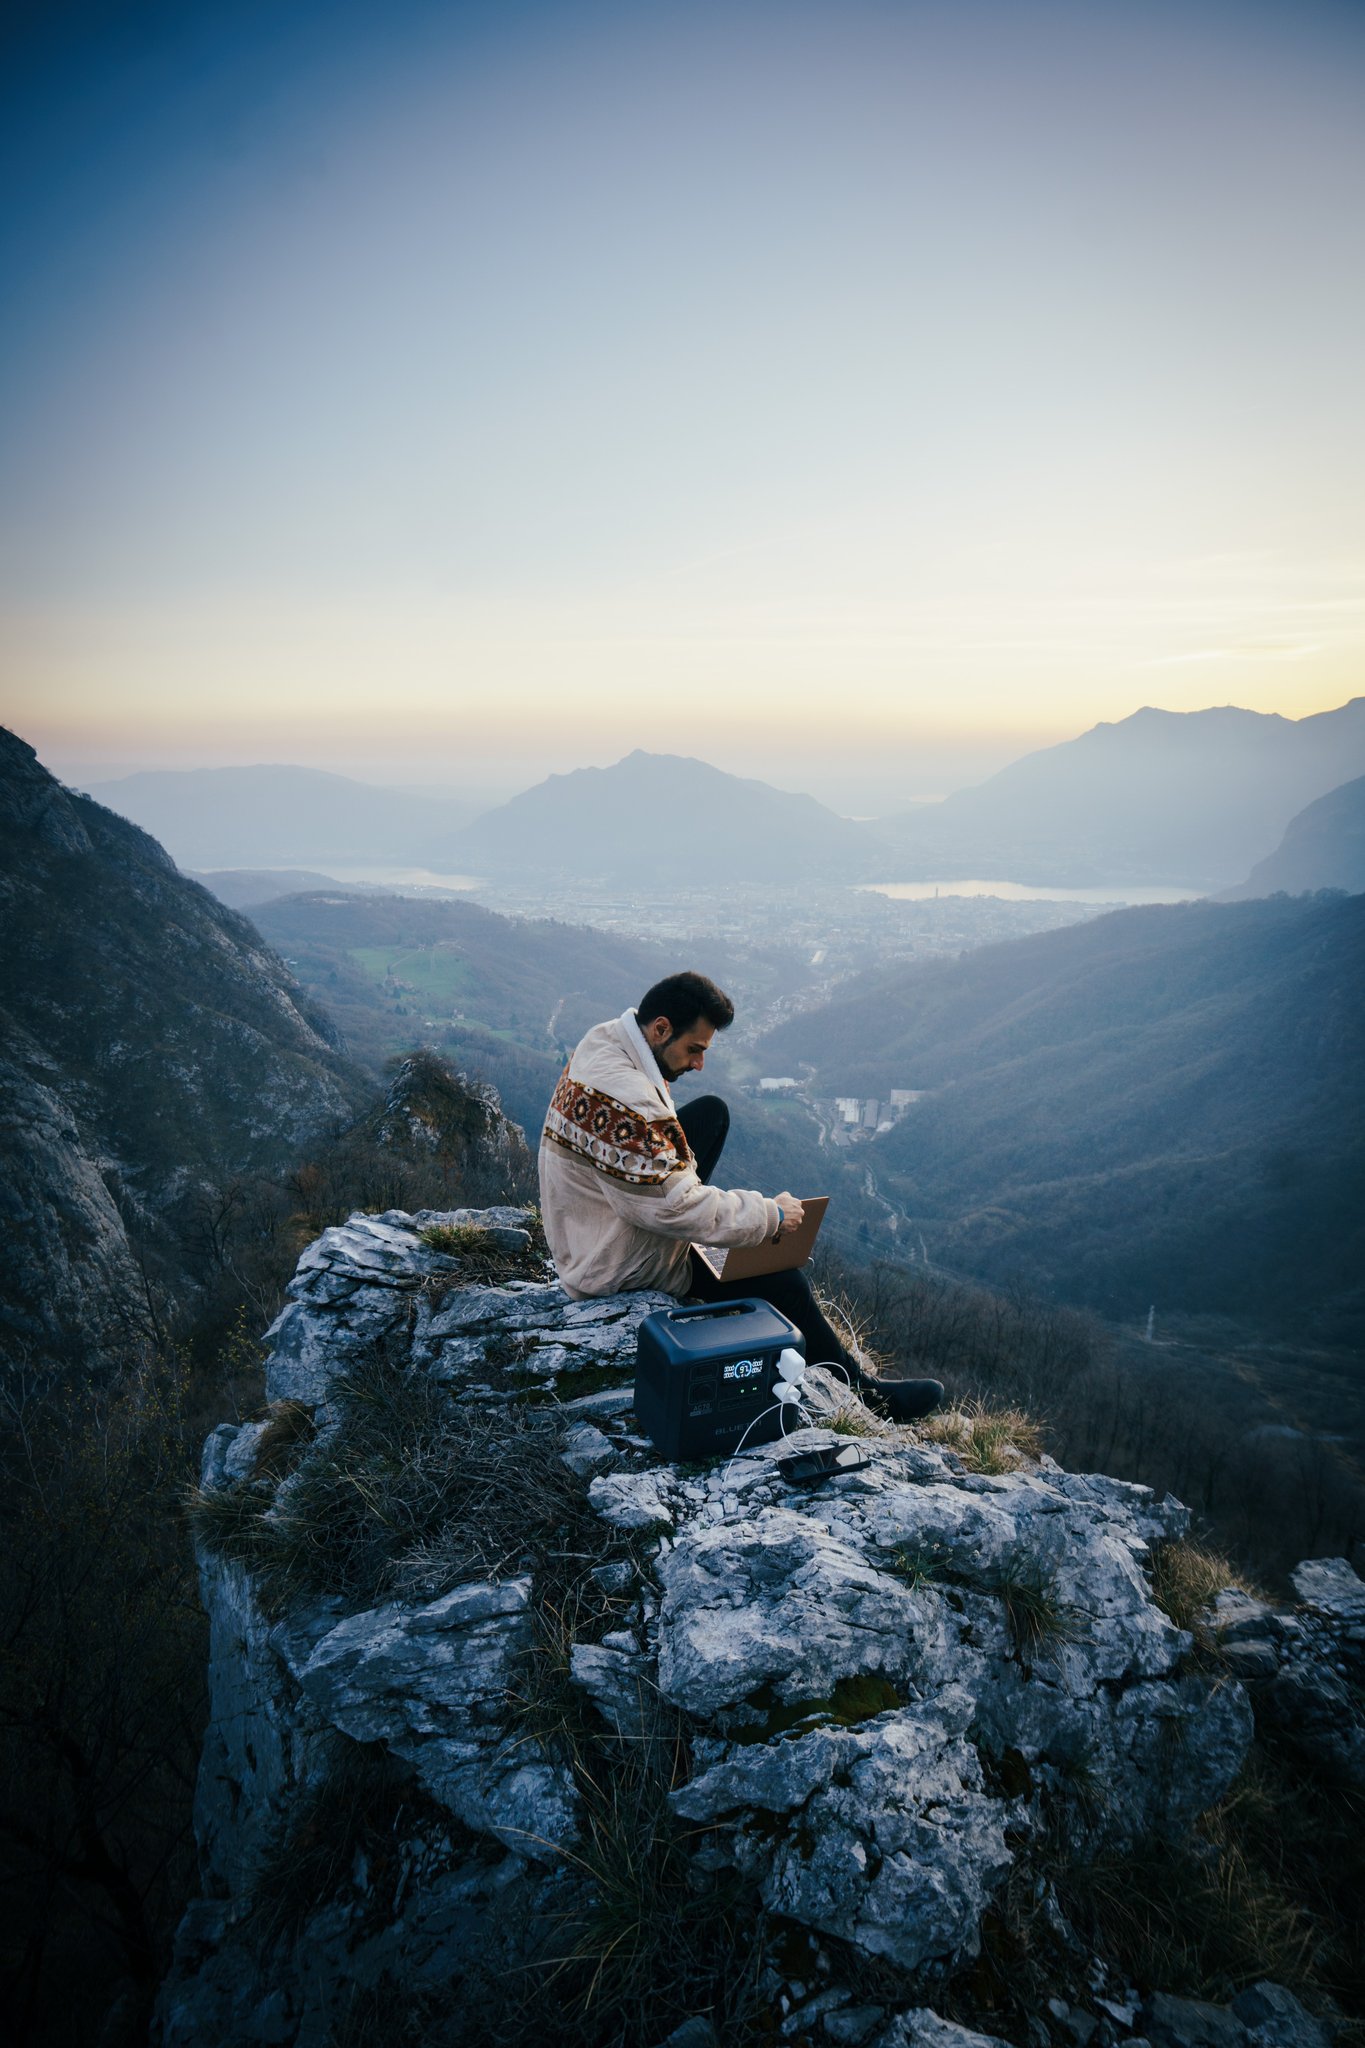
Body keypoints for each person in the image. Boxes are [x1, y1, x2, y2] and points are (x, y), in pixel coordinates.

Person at [538, 969, 943, 1423]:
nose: (698, 1064)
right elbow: (676, 1207)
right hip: (612, 1264)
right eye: (694, 1049)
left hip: (589, 1224)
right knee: (784, 1284)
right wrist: (768, 1216)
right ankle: (870, 1398)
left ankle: (701, 1234)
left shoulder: (606, 1040)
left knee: (712, 1114)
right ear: (660, 1028)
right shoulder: (630, 1100)